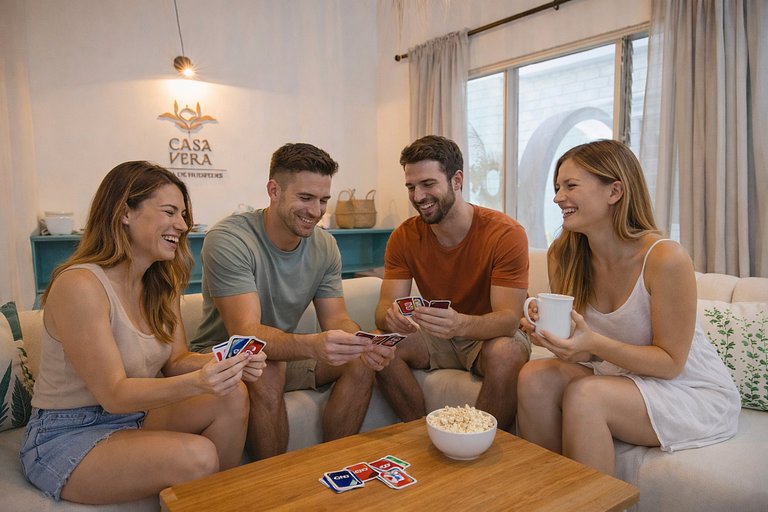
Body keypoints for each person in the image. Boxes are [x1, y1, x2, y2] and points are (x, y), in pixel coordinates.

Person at [20, 161, 266, 505]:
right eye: (170, 212)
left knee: (233, 394)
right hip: (68, 433)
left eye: (183, 215)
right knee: (199, 456)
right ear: (124, 212)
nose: (181, 225)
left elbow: (177, 360)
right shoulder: (80, 285)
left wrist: (227, 365)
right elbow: (115, 394)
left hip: (135, 416)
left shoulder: (161, 283)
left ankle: (217, 502)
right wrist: (200, 382)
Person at [517, 139, 741, 474]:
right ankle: (549, 495)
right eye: (557, 187)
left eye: (570, 185)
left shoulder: (665, 258)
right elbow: (582, 353)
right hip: (619, 375)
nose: (558, 197)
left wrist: (593, 343)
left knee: (586, 395)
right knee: (534, 376)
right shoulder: (563, 255)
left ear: (615, 191)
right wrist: (549, 337)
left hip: (684, 388)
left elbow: (669, 364)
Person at [190, 142, 395, 460]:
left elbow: (336, 319)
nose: (316, 211)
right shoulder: (229, 239)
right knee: (267, 367)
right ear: (274, 190)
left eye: (323, 200)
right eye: (305, 198)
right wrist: (314, 345)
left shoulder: (324, 245)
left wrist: (357, 342)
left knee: (358, 362)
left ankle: (334, 466)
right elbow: (246, 334)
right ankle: (274, 483)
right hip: (226, 357)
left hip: (282, 356)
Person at [374, 135, 531, 431]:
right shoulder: (404, 236)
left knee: (506, 352)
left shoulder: (506, 233)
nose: (418, 196)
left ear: (456, 180)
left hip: (488, 336)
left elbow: (509, 321)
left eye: (428, 184)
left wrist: (459, 324)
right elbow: (383, 309)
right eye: (411, 186)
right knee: (379, 343)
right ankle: (421, 432)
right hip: (437, 335)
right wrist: (391, 316)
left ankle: (476, 442)